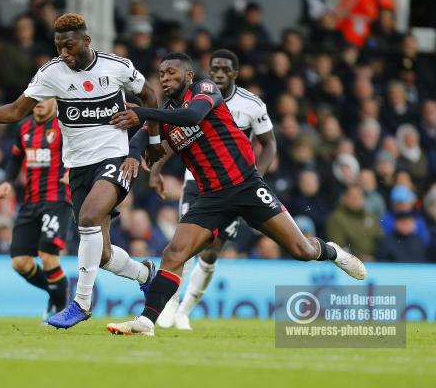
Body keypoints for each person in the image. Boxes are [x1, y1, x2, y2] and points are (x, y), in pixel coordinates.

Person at [106, 52, 367, 336]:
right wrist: (133, 154)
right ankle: (146, 322)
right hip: (210, 197)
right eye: (162, 75)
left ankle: (333, 252)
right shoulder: (166, 115)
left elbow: (191, 115)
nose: (165, 78)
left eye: (172, 73)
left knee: (301, 251)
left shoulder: (205, 90)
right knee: (174, 253)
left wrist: (144, 111)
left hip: (246, 186)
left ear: (189, 75)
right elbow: (144, 135)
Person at [0, 13, 166, 329]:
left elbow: (150, 95)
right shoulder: (51, 73)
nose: (64, 54)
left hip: (114, 158)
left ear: (86, 40)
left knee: (87, 220)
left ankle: (81, 304)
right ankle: (146, 274)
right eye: (59, 47)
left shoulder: (116, 66)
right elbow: (17, 110)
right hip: (79, 166)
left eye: (69, 46)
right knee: (101, 254)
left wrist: (151, 136)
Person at [151, 49, 277, 330]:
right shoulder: (193, 97)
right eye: (214, 68)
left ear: (235, 73)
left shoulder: (252, 105)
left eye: (225, 69)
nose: (219, 73)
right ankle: (168, 307)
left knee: (211, 251)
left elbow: (269, 144)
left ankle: (185, 310)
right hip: (197, 181)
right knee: (185, 244)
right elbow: (175, 137)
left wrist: (256, 176)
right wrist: (156, 170)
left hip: (236, 183)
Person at [0, 99, 72, 319]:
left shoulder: (65, 125)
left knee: (48, 257)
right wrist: (7, 180)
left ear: (55, 101)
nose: (38, 101)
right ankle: (56, 291)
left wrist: (73, 172)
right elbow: (15, 157)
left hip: (57, 199)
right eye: (36, 97)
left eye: (45, 97)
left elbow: (83, 151)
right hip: (30, 202)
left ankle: (61, 311)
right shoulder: (25, 127)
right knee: (20, 262)